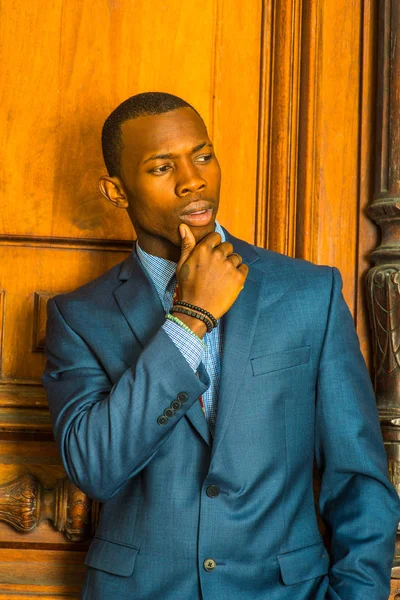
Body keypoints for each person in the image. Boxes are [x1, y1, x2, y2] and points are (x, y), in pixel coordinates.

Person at [43, 92, 399, 600]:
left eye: (203, 155)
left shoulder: (308, 293)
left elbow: (359, 479)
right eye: (163, 166)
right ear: (116, 191)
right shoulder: (79, 318)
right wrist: (190, 318)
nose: (193, 179)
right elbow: (96, 467)